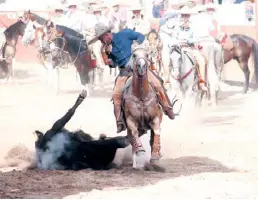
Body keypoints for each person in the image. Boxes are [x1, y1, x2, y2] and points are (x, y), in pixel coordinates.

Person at [88, 23, 175, 133]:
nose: (101, 42)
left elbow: (141, 36)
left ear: (106, 35)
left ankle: (167, 107)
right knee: (116, 96)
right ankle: (119, 121)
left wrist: (136, 45)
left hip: (140, 67)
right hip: (124, 72)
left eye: (101, 39)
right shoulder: (107, 48)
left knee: (157, 83)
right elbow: (114, 63)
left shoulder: (125, 33)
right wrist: (111, 62)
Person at [173, 6, 208, 91]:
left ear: (189, 16)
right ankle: (169, 78)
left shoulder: (193, 26)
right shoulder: (177, 26)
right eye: (184, 15)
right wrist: (177, 42)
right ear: (181, 16)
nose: (185, 17)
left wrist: (187, 40)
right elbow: (174, 37)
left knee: (201, 60)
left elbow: (196, 38)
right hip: (178, 48)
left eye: (187, 15)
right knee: (170, 58)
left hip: (190, 48)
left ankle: (201, 82)